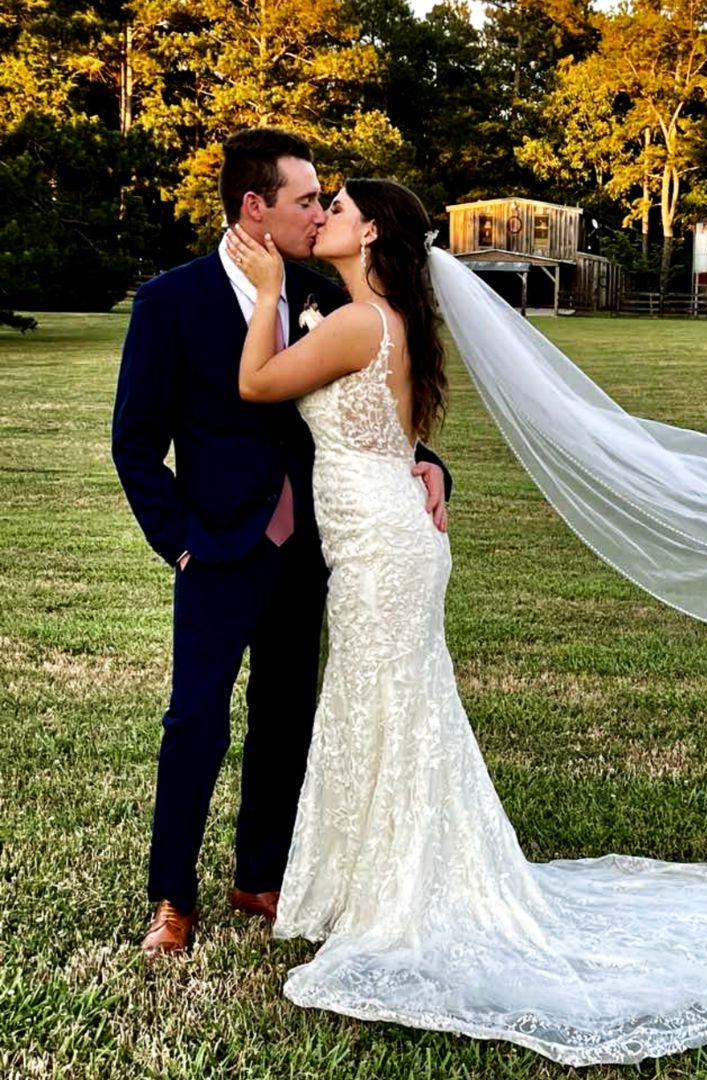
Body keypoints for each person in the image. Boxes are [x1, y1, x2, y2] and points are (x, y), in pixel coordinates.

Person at [225, 178, 707, 1067]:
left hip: (382, 548)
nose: (326, 218)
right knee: (394, 708)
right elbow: (398, 440)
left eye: (339, 208)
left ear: (373, 230)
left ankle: (401, 893)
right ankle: (380, 881)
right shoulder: (392, 324)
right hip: (386, 535)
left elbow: (257, 381)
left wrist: (269, 295)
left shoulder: (355, 322)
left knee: (387, 705)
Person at [111, 129, 450, 958]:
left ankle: (261, 873)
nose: (317, 212)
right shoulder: (172, 302)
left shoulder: (325, 293)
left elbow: (378, 402)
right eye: (306, 200)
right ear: (254, 207)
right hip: (219, 548)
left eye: (325, 202)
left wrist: (431, 464)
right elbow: (134, 443)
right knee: (196, 720)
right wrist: (180, 543)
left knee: (287, 715)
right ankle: (172, 898)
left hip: (316, 552)